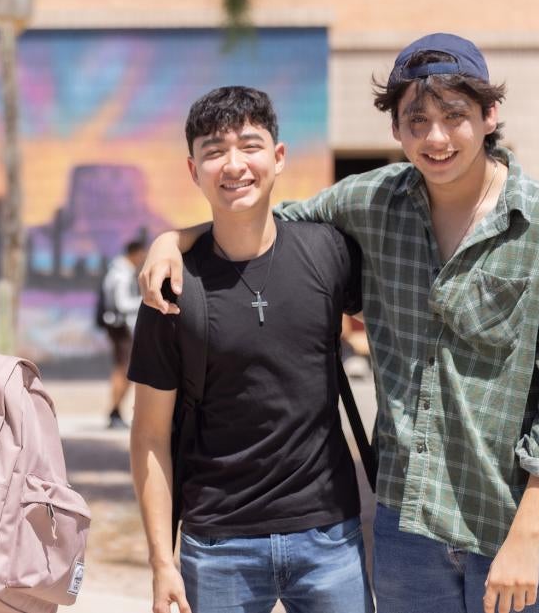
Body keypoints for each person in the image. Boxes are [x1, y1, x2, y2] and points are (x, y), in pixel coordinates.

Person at [139, 34, 539, 613]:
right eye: (417, 120)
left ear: (491, 115)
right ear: (396, 129)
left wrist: (525, 538)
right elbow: (258, 220)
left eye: (455, 117)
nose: (435, 138)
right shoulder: (373, 202)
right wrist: (172, 238)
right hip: (409, 529)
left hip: (515, 528)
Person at [128, 86, 371, 613]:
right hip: (218, 547)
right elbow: (148, 436)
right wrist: (160, 562)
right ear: (193, 170)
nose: (234, 164)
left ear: (278, 158)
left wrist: (171, 234)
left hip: (329, 534)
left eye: (250, 146)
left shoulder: (327, 252)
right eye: (214, 151)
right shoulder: (170, 290)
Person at [100, 239, 146, 429]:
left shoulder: (118, 271)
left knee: (124, 370)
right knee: (123, 370)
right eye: (142, 254)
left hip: (120, 328)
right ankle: (115, 411)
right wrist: (145, 300)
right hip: (121, 328)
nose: (143, 258)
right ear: (134, 253)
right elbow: (121, 304)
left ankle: (116, 412)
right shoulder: (121, 274)